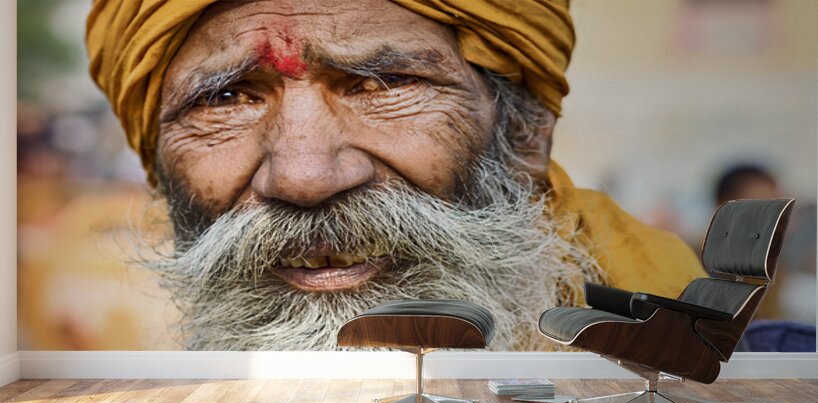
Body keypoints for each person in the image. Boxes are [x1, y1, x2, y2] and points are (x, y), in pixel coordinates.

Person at [85, 0, 704, 351]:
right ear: (159, 169)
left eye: (384, 83)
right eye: (225, 100)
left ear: (526, 135)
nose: (304, 177)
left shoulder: (759, 367)